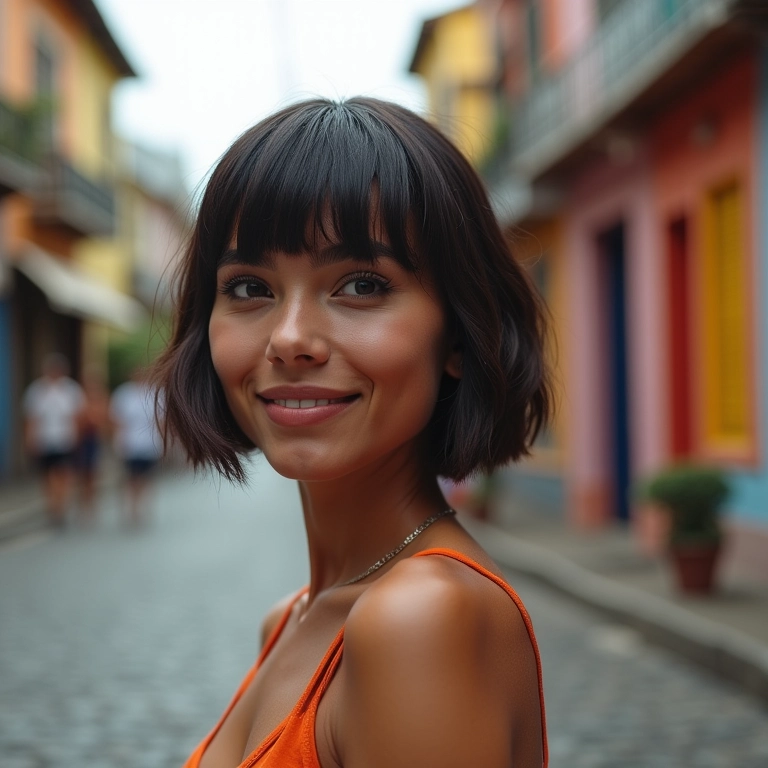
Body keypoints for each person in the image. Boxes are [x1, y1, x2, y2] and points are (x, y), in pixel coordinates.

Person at [155, 98, 552, 768]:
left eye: (361, 285)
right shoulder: (290, 620)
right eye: (250, 288)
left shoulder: (421, 619)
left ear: (457, 331)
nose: (289, 340)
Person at [23, 353, 85, 528]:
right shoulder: (36, 391)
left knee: (63, 474)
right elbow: (31, 419)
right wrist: (30, 440)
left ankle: (60, 507)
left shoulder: (71, 390)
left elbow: (78, 418)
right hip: (44, 439)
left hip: (64, 439)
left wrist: (76, 438)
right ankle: (52, 506)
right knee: (47, 476)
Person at [109, 367, 163, 527]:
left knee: (146, 477)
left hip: (149, 443)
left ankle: (143, 505)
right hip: (129, 443)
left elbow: (161, 420)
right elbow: (115, 420)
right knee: (131, 476)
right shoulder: (123, 394)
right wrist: (118, 441)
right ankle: (132, 507)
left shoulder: (155, 394)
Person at [75, 366, 110, 524]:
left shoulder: (101, 399)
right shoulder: (78, 398)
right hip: (80, 441)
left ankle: (90, 504)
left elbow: (101, 420)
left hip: (92, 440)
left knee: (91, 473)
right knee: (81, 473)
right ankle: (83, 503)